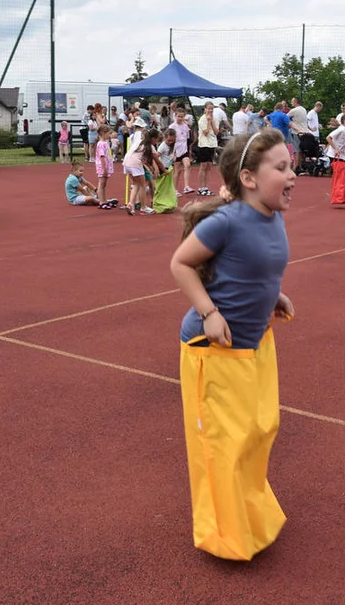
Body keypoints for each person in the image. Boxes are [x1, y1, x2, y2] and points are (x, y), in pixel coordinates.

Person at [169, 128, 296, 561]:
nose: (292, 174)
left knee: (259, 430)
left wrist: (271, 294)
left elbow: (258, 266)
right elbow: (181, 264)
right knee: (225, 443)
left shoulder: (272, 214)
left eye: (290, 165)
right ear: (248, 178)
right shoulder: (227, 221)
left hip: (253, 343)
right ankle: (223, 533)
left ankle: (249, 514)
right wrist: (210, 311)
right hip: (214, 347)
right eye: (281, 167)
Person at [325, 112, 345, 206]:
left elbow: (344, 145)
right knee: (340, 177)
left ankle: (340, 197)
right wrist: (335, 149)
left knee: (340, 177)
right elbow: (328, 138)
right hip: (335, 156)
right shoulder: (341, 130)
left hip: (340, 156)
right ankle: (338, 197)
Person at [123, 125, 154, 215]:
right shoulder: (148, 146)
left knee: (136, 184)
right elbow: (147, 161)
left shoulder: (138, 142)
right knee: (142, 185)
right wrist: (152, 169)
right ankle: (143, 207)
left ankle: (131, 204)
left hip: (126, 162)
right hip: (135, 164)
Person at [195, 101, 219, 196]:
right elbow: (205, 132)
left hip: (212, 143)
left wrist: (212, 120)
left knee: (209, 166)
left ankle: (206, 187)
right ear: (205, 109)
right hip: (204, 144)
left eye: (212, 108)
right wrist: (208, 121)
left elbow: (216, 131)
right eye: (209, 108)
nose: (210, 110)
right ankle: (201, 188)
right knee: (203, 165)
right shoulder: (202, 119)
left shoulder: (215, 118)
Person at [169, 108, 194, 194]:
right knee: (177, 170)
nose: (180, 118)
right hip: (176, 150)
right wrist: (174, 153)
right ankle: (174, 190)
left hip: (184, 149)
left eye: (182, 116)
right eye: (178, 116)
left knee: (187, 165)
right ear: (175, 116)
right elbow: (170, 141)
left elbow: (187, 139)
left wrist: (189, 150)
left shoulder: (185, 126)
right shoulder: (172, 127)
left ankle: (186, 186)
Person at [95, 125, 114, 206]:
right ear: (103, 133)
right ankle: (101, 201)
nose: (109, 135)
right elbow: (102, 157)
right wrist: (104, 168)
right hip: (102, 166)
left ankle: (104, 200)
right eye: (108, 133)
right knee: (101, 183)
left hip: (106, 166)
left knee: (104, 184)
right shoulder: (101, 144)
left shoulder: (105, 143)